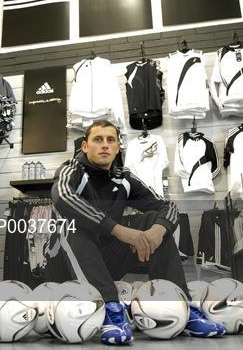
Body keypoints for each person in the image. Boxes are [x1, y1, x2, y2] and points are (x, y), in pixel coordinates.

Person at [48, 120, 226, 345]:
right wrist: (118, 230)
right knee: (71, 225)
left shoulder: (124, 178)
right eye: (98, 139)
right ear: (84, 146)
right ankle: (111, 310)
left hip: (107, 260)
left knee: (154, 221)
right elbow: (62, 197)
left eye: (110, 140)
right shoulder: (71, 169)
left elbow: (167, 207)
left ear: (117, 147)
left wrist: (158, 231)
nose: (105, 145)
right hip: (69, 265)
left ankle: (182, 308)